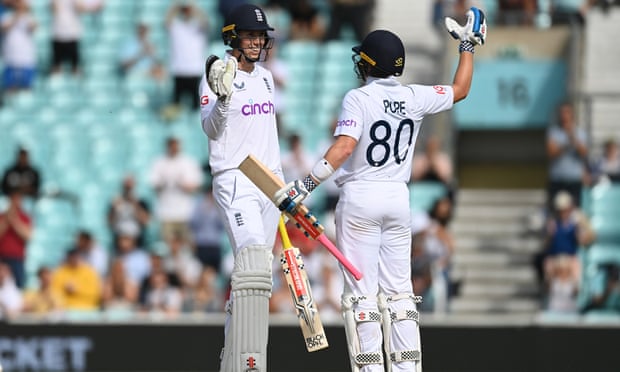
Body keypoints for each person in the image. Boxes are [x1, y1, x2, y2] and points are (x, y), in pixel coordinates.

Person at [272, 8, 486, 370]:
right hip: (398, 200)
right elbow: (461, 89)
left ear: (368, 64)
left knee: (362, 296)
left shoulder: (358, 98)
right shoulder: (414, 96)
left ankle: (370, 367)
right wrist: (467, 44)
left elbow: (343, 148)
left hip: (360, 199)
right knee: (400, 294)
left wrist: (304, 186)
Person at [199, 3, 281, 371]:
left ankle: (235, 355)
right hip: (234, 178)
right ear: (233, 35)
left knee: (260, 273)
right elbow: (211, 129)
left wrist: (283, 187)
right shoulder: (216, 73)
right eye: (249, 35)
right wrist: (224, 99)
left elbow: (269, 138)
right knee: (251, 262)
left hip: (268, 183)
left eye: (259, 36)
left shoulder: (266, 77)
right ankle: (250, 364)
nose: (256, 42)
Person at [148, 137, 204, 242]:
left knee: (186, 244)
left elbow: (197, 185)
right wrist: (164, 182)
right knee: (167, 245)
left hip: (186, 212)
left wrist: (182, 184)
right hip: (166, 213)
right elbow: (154, 184)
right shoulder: (159, 162)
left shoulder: (188, 162)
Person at [165, 0, 208, 112]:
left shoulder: (198, 27)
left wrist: (192, 7)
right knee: (176, 106)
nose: (186, 12)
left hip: (194, 71)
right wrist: (178, 5)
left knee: (196, 107)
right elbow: (167, 21)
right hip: (179, 70)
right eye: (184, 10)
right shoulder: (176, 26)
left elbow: (206, 22)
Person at [546, 101, 589, 210]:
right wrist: (566, 144)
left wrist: (573, 139)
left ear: (572, 114)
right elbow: (551, 153)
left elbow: (584, 153)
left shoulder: (580, 133)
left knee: (575, 212)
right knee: (555, 210)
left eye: (567, 112)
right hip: (558, 179)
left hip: (574, 179)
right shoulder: (554, 132)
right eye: (562, 113)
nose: (564, 115)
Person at [50, 0, 104, 75]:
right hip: (58, 33)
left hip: (72, 33)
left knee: (75, 67)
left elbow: (80, 8)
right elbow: (54, 8)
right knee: (57, 67)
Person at [0, 0, 37, 95]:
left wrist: (24, 13)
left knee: (27, 87)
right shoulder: (6, 16)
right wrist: (17, 15)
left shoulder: (28, 17)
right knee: (10, 88)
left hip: (26, 57)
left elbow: (33, 28)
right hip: (11, 57)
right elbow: (4, 28)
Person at [0, 188, 32, 289]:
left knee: (19, 287)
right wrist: (6, 221)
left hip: (17, 258)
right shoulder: (2, 216)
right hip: (2, 256)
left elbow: (27, 236)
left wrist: (14, 221)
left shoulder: (25, 218)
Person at [107, 174, 151, 248]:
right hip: (119, 239)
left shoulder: (141, 202)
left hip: (136, 240)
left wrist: (135, 205)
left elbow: (146, 222)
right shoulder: (116, 201)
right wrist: (114, 209)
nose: (127, 189)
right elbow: (109, 223)